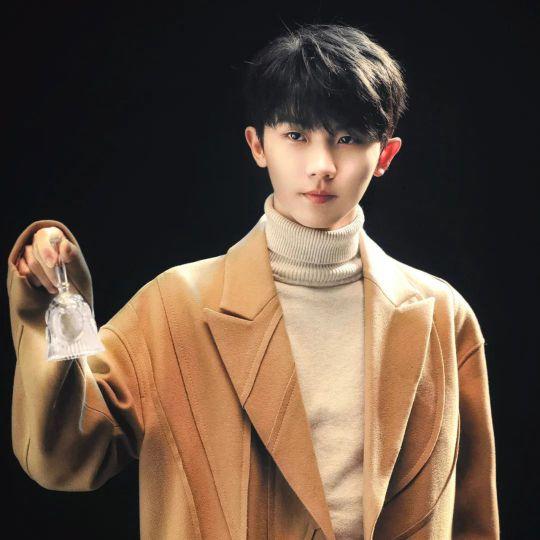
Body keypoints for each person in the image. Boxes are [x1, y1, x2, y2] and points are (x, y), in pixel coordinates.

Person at [7, 22, 499, 540]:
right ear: (257, 144)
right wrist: (57, 304)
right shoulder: (175, 306)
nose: (322, 165)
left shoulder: (442, 316)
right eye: (296, 135)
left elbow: (473, 518)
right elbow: (62, 457)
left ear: (385, 155)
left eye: (348, 138)